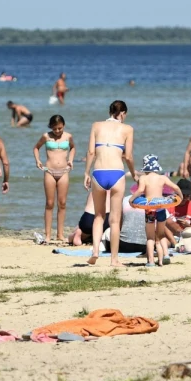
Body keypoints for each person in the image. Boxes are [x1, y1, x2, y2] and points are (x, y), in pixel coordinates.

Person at [83, 101, 135, 266]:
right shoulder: (127, 129)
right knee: (114, 220)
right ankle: (114, 259)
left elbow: (91, 152)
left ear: (110, 111)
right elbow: (128, 157)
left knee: (98, 216)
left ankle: (95, 251)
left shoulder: (96, 126)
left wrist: (86, 172)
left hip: (98, 173)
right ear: (123, 113)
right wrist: (134, 174)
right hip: (116, 174)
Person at [33, 115, 76, 242]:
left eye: (60, 128)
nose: (57, 131)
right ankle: (47, 235)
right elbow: (36, 148)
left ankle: (60, 234)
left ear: (64, 126)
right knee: (49, 203)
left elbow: (73, 148)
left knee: (62, 203)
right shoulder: (46, 136)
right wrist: (38, 160)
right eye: (54, 128)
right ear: (51, 127)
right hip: (49, 171)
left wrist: (71, 160)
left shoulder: (68, 136)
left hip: (64, 172)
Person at [133, 155, 173, 266]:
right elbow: (175, 187)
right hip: (161, 208)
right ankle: (164, 257)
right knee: (160, 236)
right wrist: (180, 196)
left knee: (150, 237)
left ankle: (150, 262)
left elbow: (140, 190)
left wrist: (132, 199)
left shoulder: (143, 178)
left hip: (150, 210)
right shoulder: (162, 178)